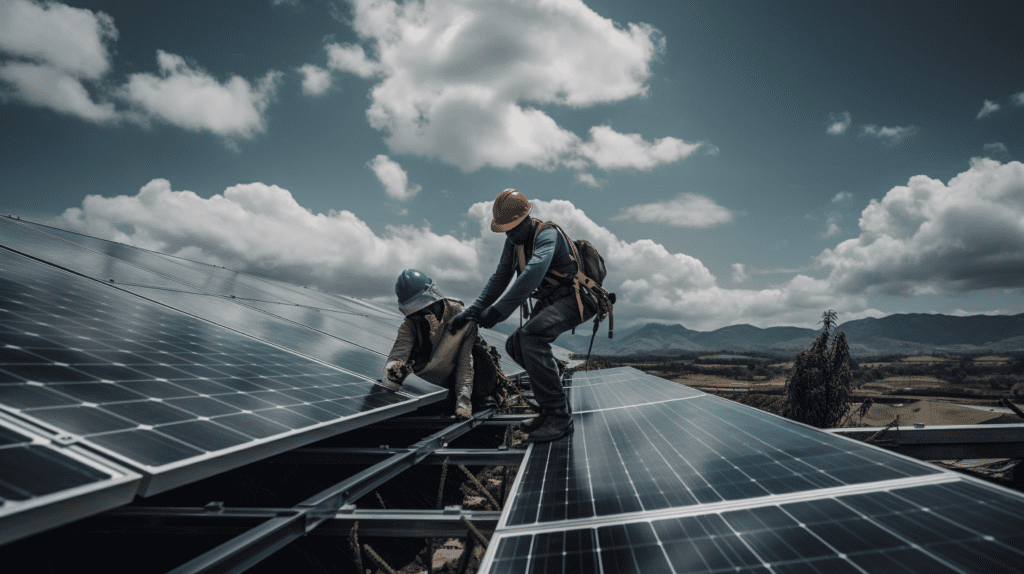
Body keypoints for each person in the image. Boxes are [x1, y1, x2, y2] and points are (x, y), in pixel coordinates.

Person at [450, 189, 596, 443]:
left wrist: (497, 312)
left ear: (527, 217)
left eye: (514, 227)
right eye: (505, 230)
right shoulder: (513, 243)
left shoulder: (548, 234)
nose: (510, 234)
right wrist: (472, 312)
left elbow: (532, 275)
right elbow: (500, 278)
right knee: (515, 344)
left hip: (577, 298)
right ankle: (549, 407)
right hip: (554, 300)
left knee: (532, 336)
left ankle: (558, 416)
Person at [382, 269, 496, 419]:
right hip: (425, 384)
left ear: (434, 300)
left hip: (453, 381)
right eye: (415, 312)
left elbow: (465, 364)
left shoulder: (462, 318)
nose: (421, 316)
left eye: (423, 309)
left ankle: (478, 397)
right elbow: (398, 354)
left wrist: (463, 403)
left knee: (480, 352)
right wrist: (393, 373)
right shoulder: (410, 324)